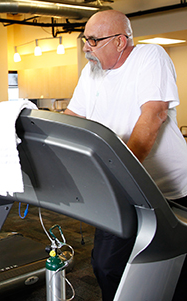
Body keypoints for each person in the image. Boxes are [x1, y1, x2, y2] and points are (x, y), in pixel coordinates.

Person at [65, 10, 187, 301]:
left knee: (174, 264)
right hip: (118, 190)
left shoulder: (150, 57)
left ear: (120, 42)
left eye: (93, 40)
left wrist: (121, 173)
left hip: (167, 188)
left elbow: (153, 114)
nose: (86, 47)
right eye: (85, 39)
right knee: (107, 266)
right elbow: (72, 117)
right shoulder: (90, 73)